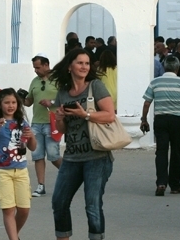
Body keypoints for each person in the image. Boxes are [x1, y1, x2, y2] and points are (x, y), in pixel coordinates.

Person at [49, 48, 116, 240]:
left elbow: (110, 115)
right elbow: (62, 130)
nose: (84, 67)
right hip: (72, 156)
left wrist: (84, 114)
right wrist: (60, 117)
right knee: (59, 202)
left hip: (97, 156)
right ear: (70, 66)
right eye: (80, 63)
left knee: (92, 204)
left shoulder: (96, 86)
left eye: (87, 63)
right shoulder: (63, 92)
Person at [0, 89, 37, 240]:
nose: (10, 105)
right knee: (8, 209)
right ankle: (13, 238)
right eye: (7, 102)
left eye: (13, 102)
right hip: (2, 171)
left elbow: (33, 147)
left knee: (24, 209)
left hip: (21, 170)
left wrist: (31, 136)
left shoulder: (22, 123)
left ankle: (13, 235)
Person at [140, 56, 180, 196]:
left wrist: (144, 119)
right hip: (178, 120)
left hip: (161, 120)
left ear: (164, 67)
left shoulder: (155, 82)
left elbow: (147, 103)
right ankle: (175, 185)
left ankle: (161, 183)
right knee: (176, 152)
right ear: (177, 68)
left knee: (161, 151)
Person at [23, 53, 62, 199]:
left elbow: (64, 99)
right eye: (34, 68)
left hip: (53, 122)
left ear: (46, 65)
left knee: (53, 155)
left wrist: (51, 102)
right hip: (36, 123)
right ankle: (40, 185)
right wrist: (20, 98)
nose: (36, 70)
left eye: (38, 67)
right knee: (37, 155)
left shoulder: (58, 80)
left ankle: (69, 175)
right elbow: (29, 101)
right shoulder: (34, 81)